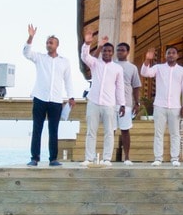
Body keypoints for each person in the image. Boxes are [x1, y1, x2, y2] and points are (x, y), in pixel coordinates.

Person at [21, 24, 76, 167]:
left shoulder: (64, 61)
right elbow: (26, 53)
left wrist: (71, 96)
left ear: (57, 45)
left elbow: (68, 79)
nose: (48, 45)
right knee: (37, 129)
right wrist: (31, 37)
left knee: (54, 130)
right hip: (40, 98)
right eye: (47, 42)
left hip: (56, 100)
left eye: (51, 42)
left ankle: (53, 159)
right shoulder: (40, 57)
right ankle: (35, 158)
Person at [80, 30, 125, 166]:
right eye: (104, 51)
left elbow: (120, 87)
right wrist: (89, 44)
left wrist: (122, 104)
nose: (106, 53)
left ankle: (107, 159)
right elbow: (84, 56)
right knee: (91, 131)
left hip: (109, 104)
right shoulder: (95, 63)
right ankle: (89, 158)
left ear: (113, 53)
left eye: (109, 51)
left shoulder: (117, 68)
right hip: (93, 102)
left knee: (109, 132)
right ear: (102, 52)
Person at [141, 45, 183, 165]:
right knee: (158, 133)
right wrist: (148, 59)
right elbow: (145, 73)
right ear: (165, 55)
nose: (171, 55)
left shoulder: (182, 71)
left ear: (177, 56)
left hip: (175, 107)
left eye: (173, 53)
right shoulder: (158, 68)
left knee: (175, 134)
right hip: (160, 105)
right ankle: (158, 158)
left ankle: (174, 158)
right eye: (169, 53)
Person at [113, 42, 142, 165]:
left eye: (122, 50)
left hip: (126, 103)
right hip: (110, 102)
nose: (120, 52)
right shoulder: (111, 65)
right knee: (111, 130)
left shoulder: (132, 67)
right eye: (118, 50)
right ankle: (107, 156)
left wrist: (137, 103)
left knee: (125, 130)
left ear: (127, 52)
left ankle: (127, 157)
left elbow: (136, 86)